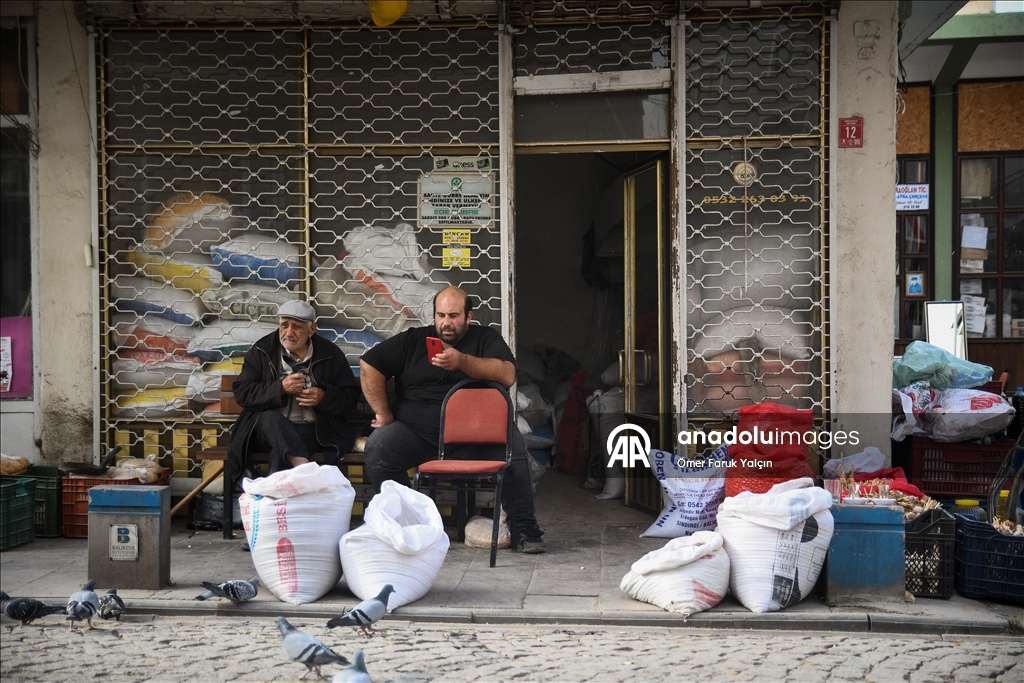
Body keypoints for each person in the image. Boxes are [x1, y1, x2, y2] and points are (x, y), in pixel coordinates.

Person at [360, 286, 546, 554]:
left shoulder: (484, 338)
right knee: (379, 449)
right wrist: (384, 412)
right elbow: (369, 365)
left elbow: (506, 374)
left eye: (454, 316)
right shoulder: (412, 341)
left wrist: (462, 361)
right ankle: (407, 526)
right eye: (441, 315)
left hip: (478, 433)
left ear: (469, 317)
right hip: (418, 432)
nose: (446, 322)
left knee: (515, 455)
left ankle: (526, 530)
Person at [227, 299, 361, 483]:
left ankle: (277, 497)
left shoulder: (330, 354)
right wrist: (280, 388)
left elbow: (350, 397)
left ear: (312, 329)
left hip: (313, 432)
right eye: (284, 325)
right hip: (264, 432)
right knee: (271, 419)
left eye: (297, 327)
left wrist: (324, 397)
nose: (289, 333)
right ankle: (302, 465)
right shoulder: (262, 351)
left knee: (283, 450)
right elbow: (243, 393)